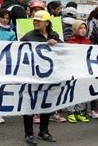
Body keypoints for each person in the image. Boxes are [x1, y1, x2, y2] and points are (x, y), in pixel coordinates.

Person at [20, 10, 60, 145]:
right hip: (31, 76)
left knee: (46, 104)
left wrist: (58, 43)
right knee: (29, 105)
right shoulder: (28, 37)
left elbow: (64, 52)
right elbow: (18, 54)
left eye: (39, 20)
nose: (35, 22)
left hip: (48, 77)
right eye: (34, 20)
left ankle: (44, 131)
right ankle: (29, 134)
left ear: (47, 23)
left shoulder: (54, 35)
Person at [65, 20, 90, 124]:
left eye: (84, 28)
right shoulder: (69, 42)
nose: (83, 30)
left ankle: (79, 111)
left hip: (83, 70)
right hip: (72, 70)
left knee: (82, 90)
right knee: (71, 90)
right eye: (80, 28)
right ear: (75, 29)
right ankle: (70, 111)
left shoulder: (88, 42)